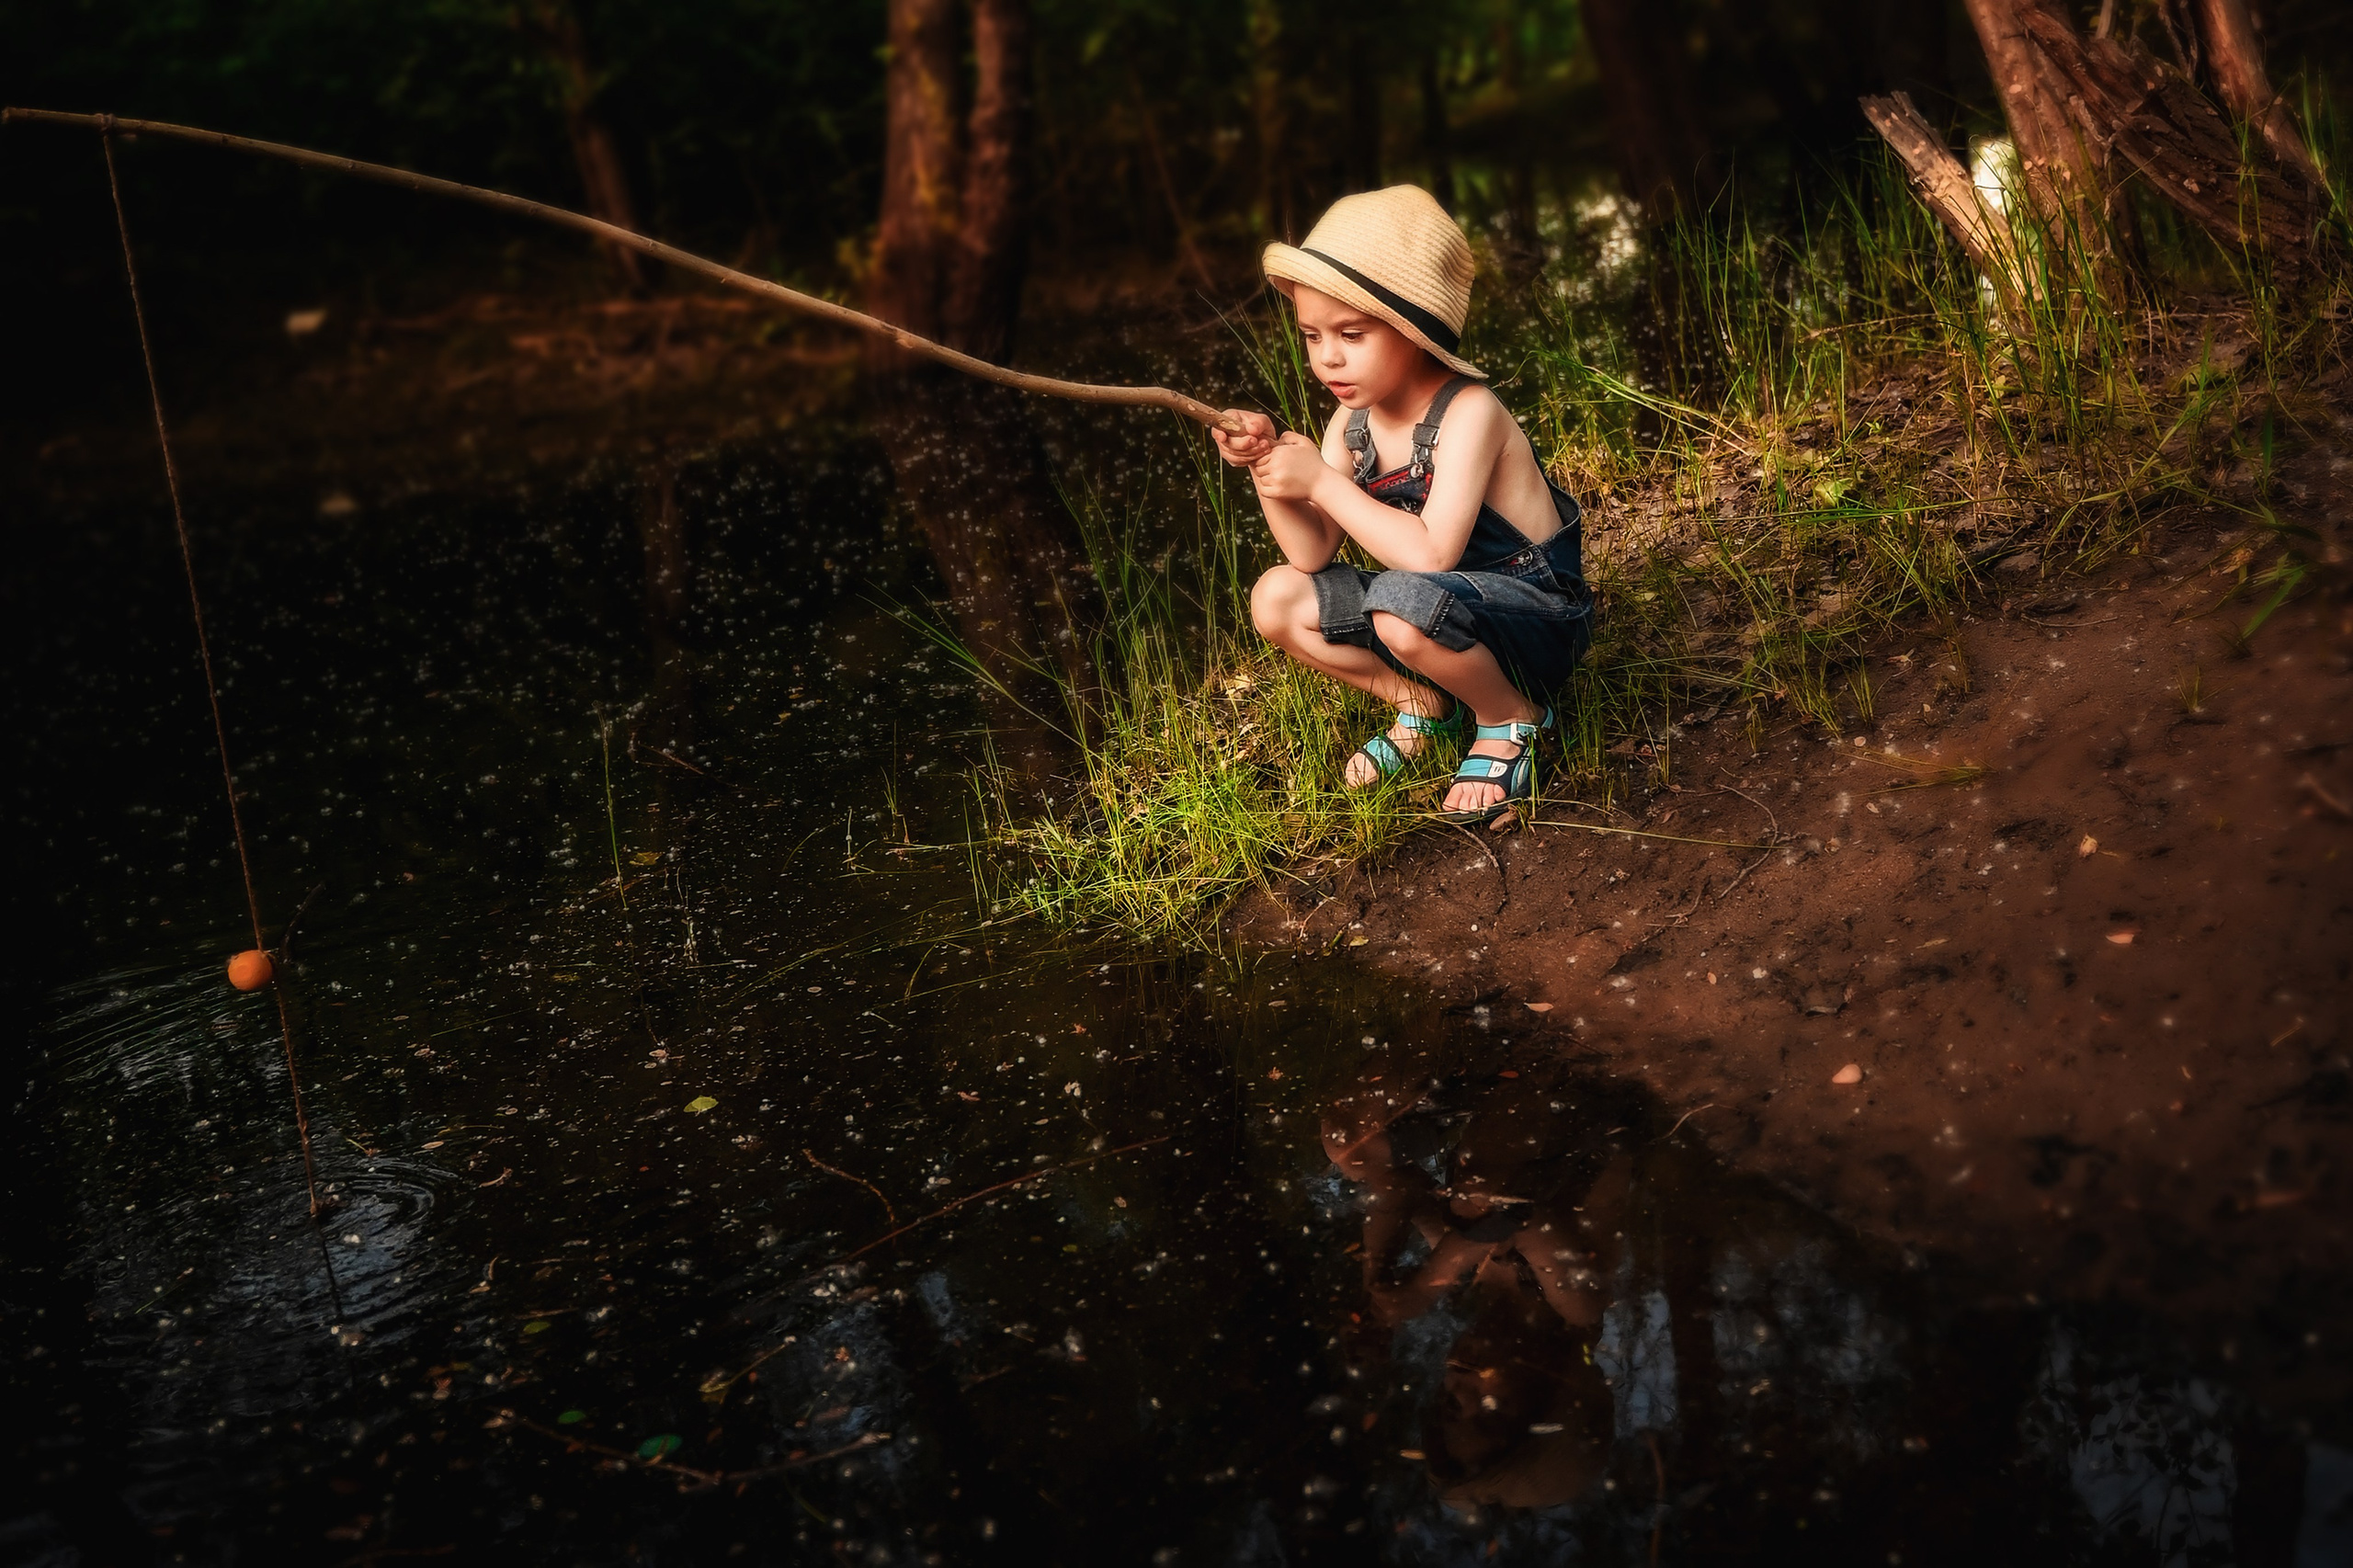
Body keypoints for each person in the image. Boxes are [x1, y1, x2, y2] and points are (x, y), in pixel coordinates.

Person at [1211, 185, 1593, 826]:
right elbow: (1310, 551)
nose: (1328, 356)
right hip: (1424, 617)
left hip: (1534, 620)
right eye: (1311, 335)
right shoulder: (1349, 425)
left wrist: (1325, 483)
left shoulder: (1470, 412)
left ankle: (1511, 715)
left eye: (1351, 334)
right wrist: (1267, 467)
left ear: (1414, 333)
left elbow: (1431, 555)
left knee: (1400, 602)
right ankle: (1420, 700)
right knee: (1277, 597)